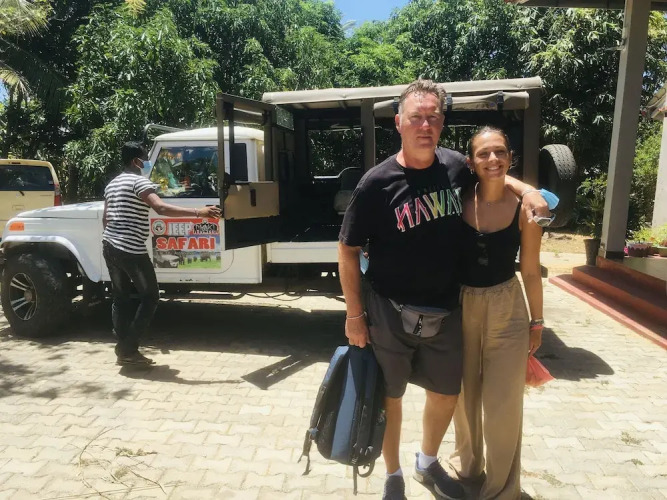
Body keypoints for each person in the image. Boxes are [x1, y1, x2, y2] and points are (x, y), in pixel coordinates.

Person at [337, 79, 549, 500]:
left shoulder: (456, 166)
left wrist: (528, 190)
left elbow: (494, 172)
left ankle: (428, 462)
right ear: (398, 122)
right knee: (391, 397)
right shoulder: (376, 183)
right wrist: (354, 314)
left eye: (433, 117)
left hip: (448, 308)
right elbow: (347, 250)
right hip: (389, 309)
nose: (425, 125)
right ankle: (393, 474)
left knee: (446, 394)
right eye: (416, 117)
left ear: (442, 122)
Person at [449, 127, 543, 500]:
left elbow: (531, 270)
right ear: (470, 162)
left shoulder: (527, 210)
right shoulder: (456, 200)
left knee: (504, 403)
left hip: (507, 305)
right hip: (460, 304)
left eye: (500, 152)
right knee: (463, 395)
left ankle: (501, 489)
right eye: (484, 153)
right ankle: (469, 468)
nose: (493, 159)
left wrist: (537, 321)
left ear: (510, 158)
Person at [102, 141, 221, 366]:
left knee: (120, 297)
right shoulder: (139, 182)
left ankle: (124, 348)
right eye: (145, 159)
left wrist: (114, 238)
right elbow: (161, 208)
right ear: (136, 161)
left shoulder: (113, 183)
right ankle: (127, 349)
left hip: (109, 245)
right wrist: (199, 212)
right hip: (131, 249)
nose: (148, 162)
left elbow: (105, 219)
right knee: (151, 297)